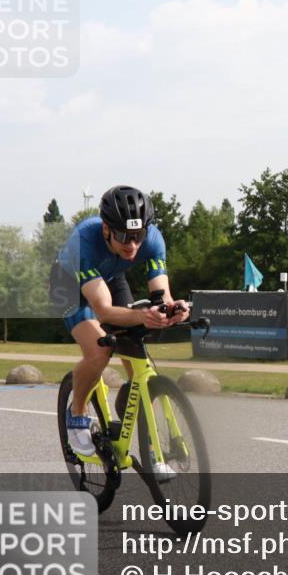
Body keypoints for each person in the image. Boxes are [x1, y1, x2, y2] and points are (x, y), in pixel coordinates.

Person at [50, 185, 189, 479]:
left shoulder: (152, 239)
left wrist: (173, 307)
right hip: (70, 285)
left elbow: (161, 293)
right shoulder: (85, 240)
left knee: (140, 360)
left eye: (137, 236)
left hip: (112, 277)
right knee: (100, 348)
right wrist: (141, 315)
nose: (132, 245)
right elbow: (103, 310)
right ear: (106, 229)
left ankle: (149, 449)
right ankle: (76, 413)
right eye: (124, 236)